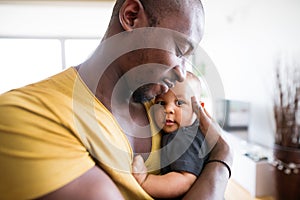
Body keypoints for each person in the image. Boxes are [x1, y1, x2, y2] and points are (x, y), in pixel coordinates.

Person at [0, 0, 233, 199]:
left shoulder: (158, 106)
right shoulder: (26, 115)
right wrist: (222, 158)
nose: (182, 73)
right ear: (131, 17)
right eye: (180, 50)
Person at [132, 72, 210, 199]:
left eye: (179, 103)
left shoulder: (183, 137)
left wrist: (145, 180)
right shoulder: (183, 131)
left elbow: (184, 180)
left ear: (197, 109)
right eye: (162, 103)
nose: (168, 109)